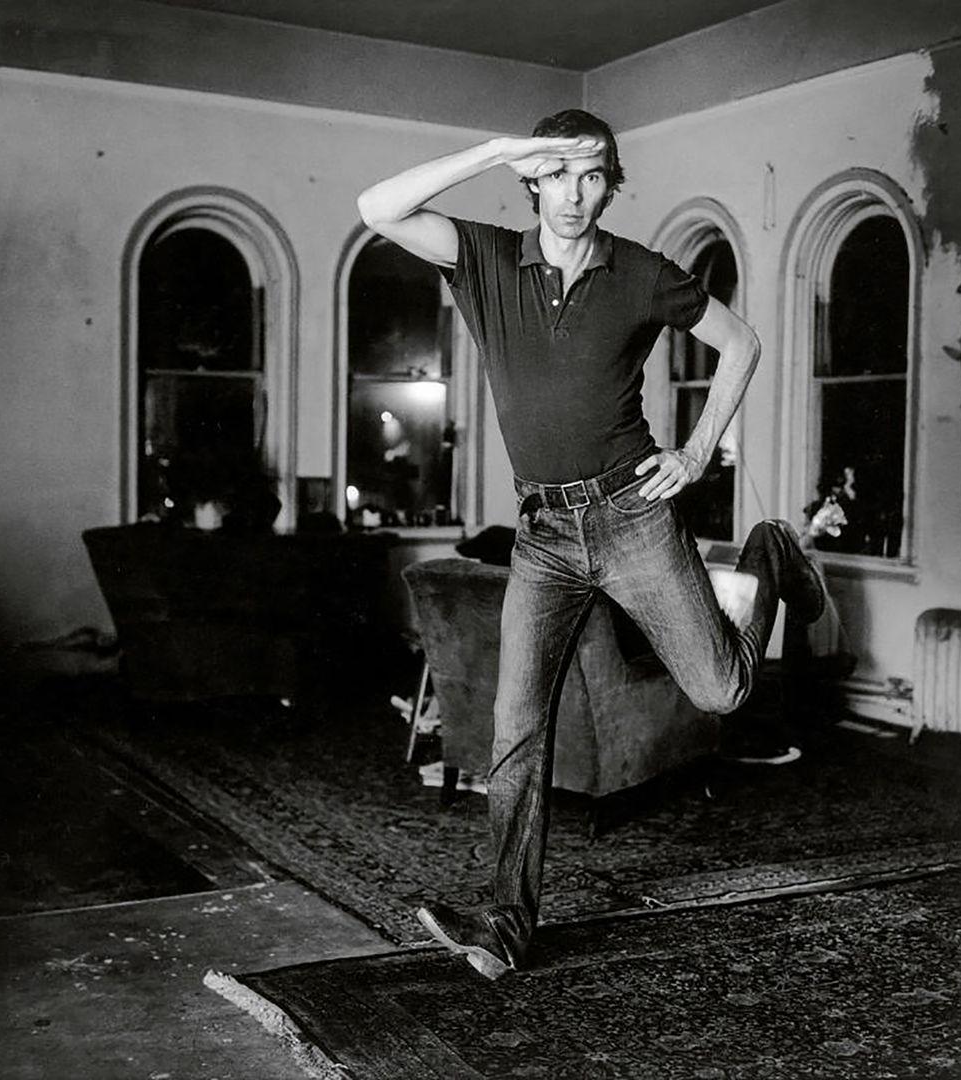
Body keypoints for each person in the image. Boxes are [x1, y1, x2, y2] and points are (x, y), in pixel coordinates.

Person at [357, 109, 824, 980]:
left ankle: (769, 554)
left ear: (611, 185)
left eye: (591, 175)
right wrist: (497, 148)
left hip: (634, 516)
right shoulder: (489, 258)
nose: (573, 194)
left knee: (721, 691)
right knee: (516, 727)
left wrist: (693, 452)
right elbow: (376, 206)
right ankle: (505, 925)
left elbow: (741, 343)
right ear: (532, 180)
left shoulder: (641, 273)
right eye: (557, 174)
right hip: (542, 534)